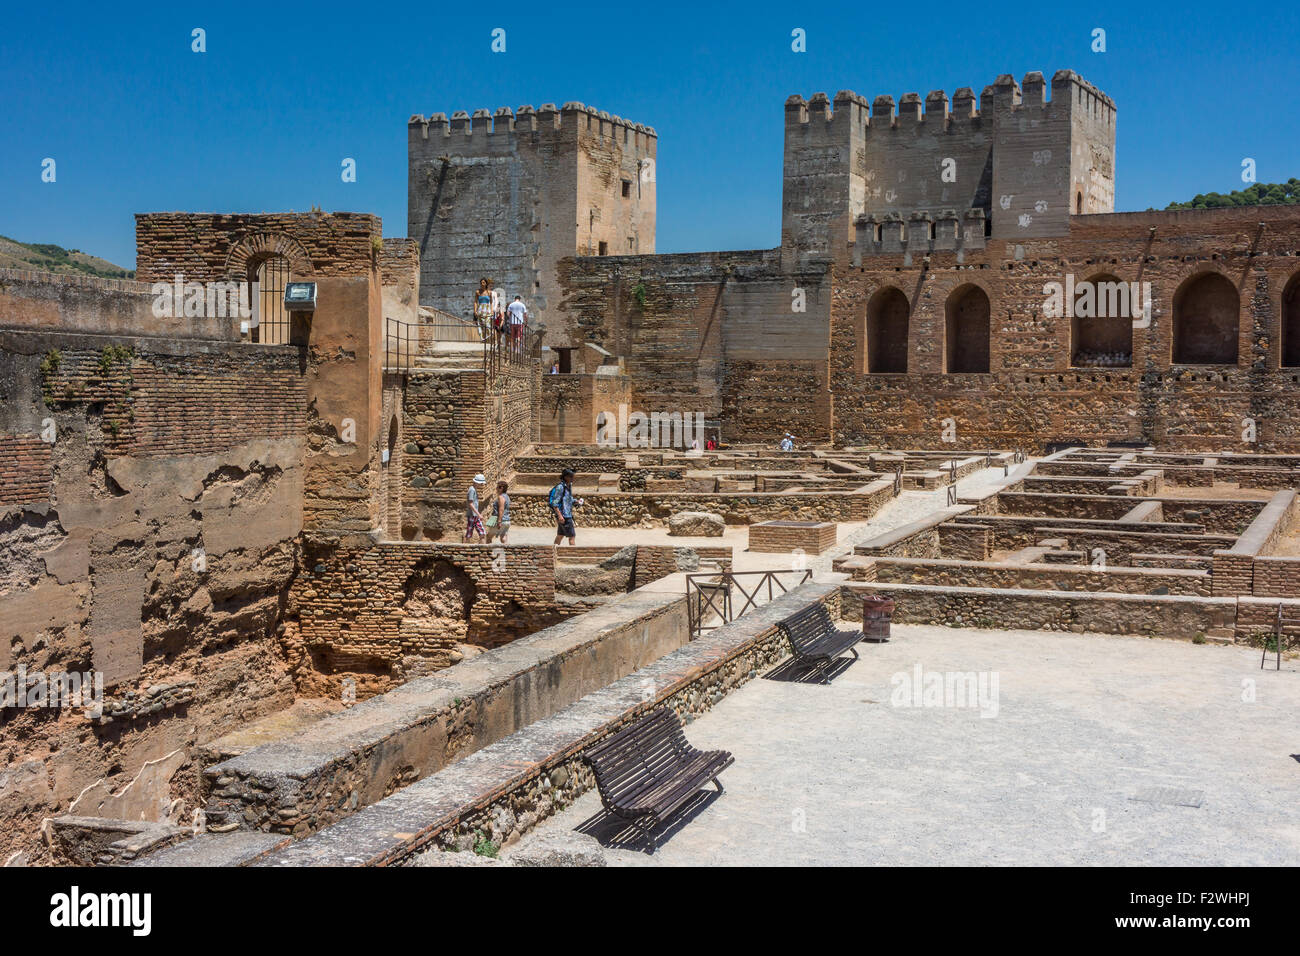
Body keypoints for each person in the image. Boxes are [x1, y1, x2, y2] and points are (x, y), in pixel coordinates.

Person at [548, 467, 583, 546]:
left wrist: (575, 501)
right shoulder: (560, 487)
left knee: (560, 535)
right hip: (564, 516)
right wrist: (560, 516)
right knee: (572, 537)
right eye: (571, 476)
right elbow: (554, 503)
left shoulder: (568, 485)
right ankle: (573, 556)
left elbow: (568, 498)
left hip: (566, 515)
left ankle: (553, 552)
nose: (573, 478)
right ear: (565, 477)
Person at [465, 473, 487, 542]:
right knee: (469, 534)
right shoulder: (472, 490)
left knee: (482, 533)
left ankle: (482, 550)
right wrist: (479, 514)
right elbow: (470, 504)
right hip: (472, 515)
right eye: (481, 483)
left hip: (475, 516)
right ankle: (465, 549)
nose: (482, 485)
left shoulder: (474, 489)